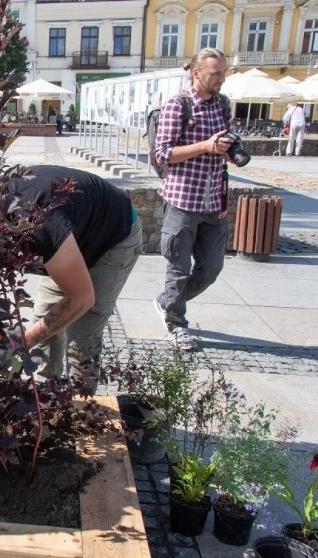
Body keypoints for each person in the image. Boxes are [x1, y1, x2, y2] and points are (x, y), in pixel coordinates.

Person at [0, 165, 143, 392]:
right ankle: (47, 396)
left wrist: (17, 345)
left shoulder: (38, 220)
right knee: (46, 317)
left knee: (80, 335)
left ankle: (82, 407)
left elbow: (82, 298)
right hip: (66, 241)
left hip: (112, 237)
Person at [153, 47, 233, 352]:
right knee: (178, 267)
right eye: (216, 73)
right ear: (196, 73)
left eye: (224, 73)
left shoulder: (223, 105)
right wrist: (207, 146)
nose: (221, 79)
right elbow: (164, 154)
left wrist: (227, 147)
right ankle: (175, 323)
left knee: (211, 269)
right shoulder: (178, 105)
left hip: (214, 202)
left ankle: (166, 302)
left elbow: (223, 146)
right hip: (182, 201)